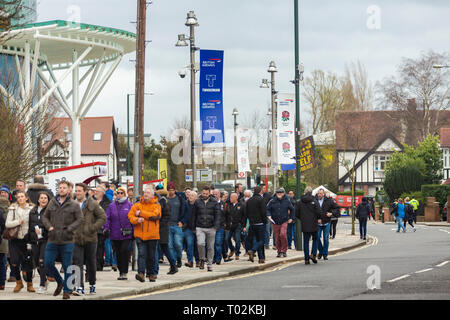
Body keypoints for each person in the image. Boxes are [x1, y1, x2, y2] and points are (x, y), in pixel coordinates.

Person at [72, 183, 106, 296]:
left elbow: (102, 217)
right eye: (76, 191)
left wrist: (93, 228)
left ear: (85, 191)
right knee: (78, 263)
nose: (77, 193)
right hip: (76, 238)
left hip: (90, 238)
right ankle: (79, 286)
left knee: (91, 262)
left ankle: (92, 284)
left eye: (79, 191)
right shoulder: (72, 204)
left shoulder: (92, 203)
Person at [128, 186, 161, 282]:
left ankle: (151, 274)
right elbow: (130, 216)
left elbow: (155, 216)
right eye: (145, 192)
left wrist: (141, 213)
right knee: (141, 254)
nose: (146, 194)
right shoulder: (137, 204)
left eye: (148, 193)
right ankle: (141, 273)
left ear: (152, 195)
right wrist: (137, 219)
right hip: (139, 234)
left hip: (152, 235)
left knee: (151, 256)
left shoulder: (156, 205)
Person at [5, 191, 34, 293]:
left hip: (27, 238)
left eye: (22, 197)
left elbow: (34, 223)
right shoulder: (12, 209)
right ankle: (18, 282)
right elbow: (7, 224)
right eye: (18, 197)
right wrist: (17, 222)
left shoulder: (31, 209)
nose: (20, 198)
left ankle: (30, 284)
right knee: (14, 262)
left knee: (28, 261)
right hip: (15, 239)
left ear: (26, 198)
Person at [104, 187, 134, 280]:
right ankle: (121, 272)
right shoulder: (111, 206)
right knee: (118, 253)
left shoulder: (130, 205)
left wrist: (133, 232)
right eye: (118, 193)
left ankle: (125, 271)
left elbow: (132, 219)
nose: (119, 195)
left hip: (126, 233)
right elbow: (107, 218)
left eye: (121, 193)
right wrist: (106, 228)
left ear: (125, 194)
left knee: (124, 251)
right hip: (115, 233)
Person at [191, 186, 221, 272]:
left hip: (211, 227)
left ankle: (210, 264)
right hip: (200, 227)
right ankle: (202, 259)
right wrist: (193, 227)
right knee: (200, 244)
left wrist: (216, 226)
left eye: (206, 194)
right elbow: (193, 215)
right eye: (203, 193)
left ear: (209, 193)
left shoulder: (214, 202)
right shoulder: (197, 202)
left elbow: (218, 215)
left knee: (210, 247)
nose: (204, 195)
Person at [27, 192, 51, 293]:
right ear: (38, 200)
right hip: (34, 240)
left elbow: (51, 225)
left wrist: (43, 229)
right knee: (37, 263)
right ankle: (44, 279)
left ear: (48, 200)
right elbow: (29, 226)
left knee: (42, 261)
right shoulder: (32, 211)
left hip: (45, 240)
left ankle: (42, 284)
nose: (43, 200)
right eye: (41, 198)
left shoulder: (49, 211)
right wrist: (29, 241)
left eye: (45, 198)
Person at [154, 184, 179, 276]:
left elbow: (165, 217)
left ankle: (155, 270)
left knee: (156, 249)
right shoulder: (165, 201)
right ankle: (173, 265)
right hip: (163, 229)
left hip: (160, 229)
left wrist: (158, 225)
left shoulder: (162, 202)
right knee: (165, 248)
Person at [266, 188, 295, 258]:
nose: (279, 194)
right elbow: (267, 209)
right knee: (277, 237)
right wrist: (269, 215)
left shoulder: (287, 201)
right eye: (278, 193)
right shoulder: (272, 201)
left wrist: (291, 218)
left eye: (280, 193)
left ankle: (284, 250)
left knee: (283, 234)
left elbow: (292, 209)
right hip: (275, 221)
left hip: (284, 221)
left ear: (283, 193)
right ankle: (279, 251)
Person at [296, 186, 321, 265]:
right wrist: (318, 218)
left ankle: (306, 258)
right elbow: (319, 212)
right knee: (315, 239)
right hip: (314, 223)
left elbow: (296, 213)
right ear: (311, 192)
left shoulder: (300, 201)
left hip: (305, 223)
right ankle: (313, 254)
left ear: (305, 192)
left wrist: (302, 218)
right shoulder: (314, 200)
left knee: (306, 241)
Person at [243, 186, 267, 264]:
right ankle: (252, 251)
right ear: (260, 191)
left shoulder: (249, 200)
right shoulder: (261, 199)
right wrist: (265, 221)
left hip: (252, 223)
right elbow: (263, 212)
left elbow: (246, 213)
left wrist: (248, 222)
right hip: (260, 223)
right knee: (261, 240)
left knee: (257, 240)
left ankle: (261, 258)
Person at [315, 188, 340, 260]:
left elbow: (337, 209)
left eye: (320, 193)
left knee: (326, 239)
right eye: (318, 193)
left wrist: (331, 213)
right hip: (318, 223)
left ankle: (325, 254)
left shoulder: (329, 201)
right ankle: (321, 251)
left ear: (323, 194)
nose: (319, 195)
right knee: (317, 238)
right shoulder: (314, 200)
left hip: (326, 222)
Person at [166, 181, 187, 269]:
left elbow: (185, 211)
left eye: (173, 190)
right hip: (167, 225)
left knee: (178, 244)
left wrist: (182, 221)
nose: (171, 192)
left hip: (177, 225)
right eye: (170, 190)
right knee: (170, 245)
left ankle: (179, 258)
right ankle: (173, 262)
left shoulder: (179, 198)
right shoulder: (165, 199)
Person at [93, 185, 112, 272]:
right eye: (95, 191)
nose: (95, 192)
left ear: (102, 193)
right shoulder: (92, 200)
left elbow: (106, 215)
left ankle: (99, 264)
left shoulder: (107, 202)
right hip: (92, 228)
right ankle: (93, 264)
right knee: (93, 247)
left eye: (97, 191)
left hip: (101, 228)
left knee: (100, 247)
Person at [225, 193, 245, 261]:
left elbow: (244, 216)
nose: (230, 199)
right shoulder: (228, 205)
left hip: (238, 225)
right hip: (230, 225)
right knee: (227, 238)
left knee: (237, 239)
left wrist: (243, 225)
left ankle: (237, 253)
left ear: (236, 198)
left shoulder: (241, 205)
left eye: (231, 197)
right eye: (230, 197)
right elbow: (226, 215)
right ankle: (232, 249)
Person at [183, 191, 200, 268]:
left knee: (197, 245)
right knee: (190, 244)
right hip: (188, 228)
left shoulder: (199, 205)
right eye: (189, 195)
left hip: (198, 228)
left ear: (196, 197)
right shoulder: (185, 204)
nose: (190, 196)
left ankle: (198, 261)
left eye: (192, 195)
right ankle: (190, 261)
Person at [0, 186, 11, 289]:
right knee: (3, 260)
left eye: (5, 192)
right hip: (5, 237)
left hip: (4, 237)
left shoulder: (11, 208)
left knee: (3, 260)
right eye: (1, 192)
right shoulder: (11, 208)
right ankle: (2, 283)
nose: (3, 194)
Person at [212, 188, 226, 265]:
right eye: (213, 194)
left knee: (218, 243)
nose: (215, 196)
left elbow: (226, 215)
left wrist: (225, 224)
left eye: (216, 194)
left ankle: (218, 258)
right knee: (212, 244)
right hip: (211, 226)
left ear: (219, 195)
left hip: (220, 227)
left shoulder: (223, 204)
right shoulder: (211, 203)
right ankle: (213, 258)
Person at [261, 184, 273, 250]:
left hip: (267, 215)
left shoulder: (268, 195)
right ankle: (261, 243)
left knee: (267, 230)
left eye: (265, 188)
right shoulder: (258, 195)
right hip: (259, 215)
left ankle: (267, 244)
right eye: (263, 188)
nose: (264, 189)